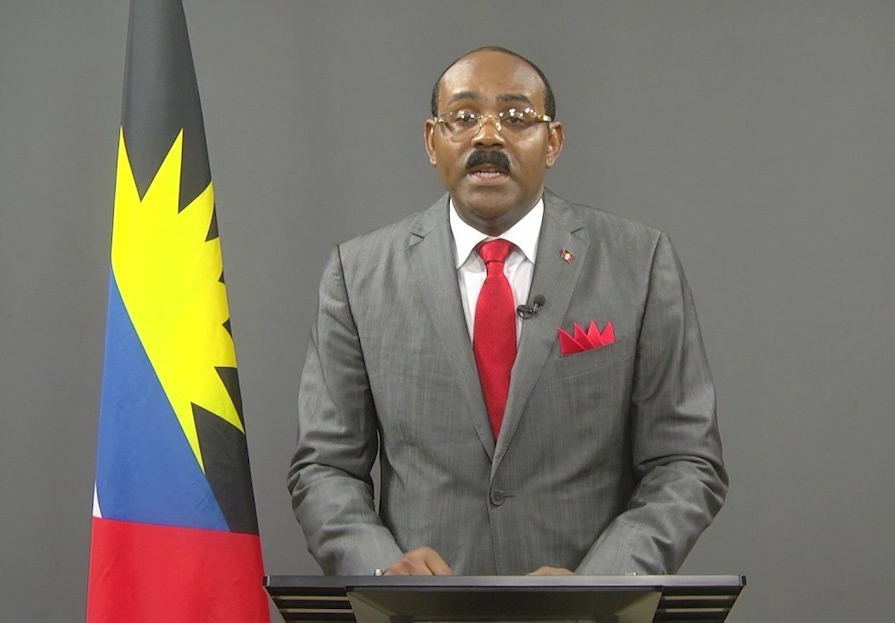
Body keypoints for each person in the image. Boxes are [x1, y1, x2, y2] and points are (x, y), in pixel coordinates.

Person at [287, 46, 727, 577]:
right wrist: (387, 573)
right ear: (432, 140)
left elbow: (685, 461)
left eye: (517, 118)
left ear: (553, 142)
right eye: (463, 117)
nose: (488, 137)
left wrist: (600, 583)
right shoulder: (357, 274)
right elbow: (325, 467)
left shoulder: (638, 262)